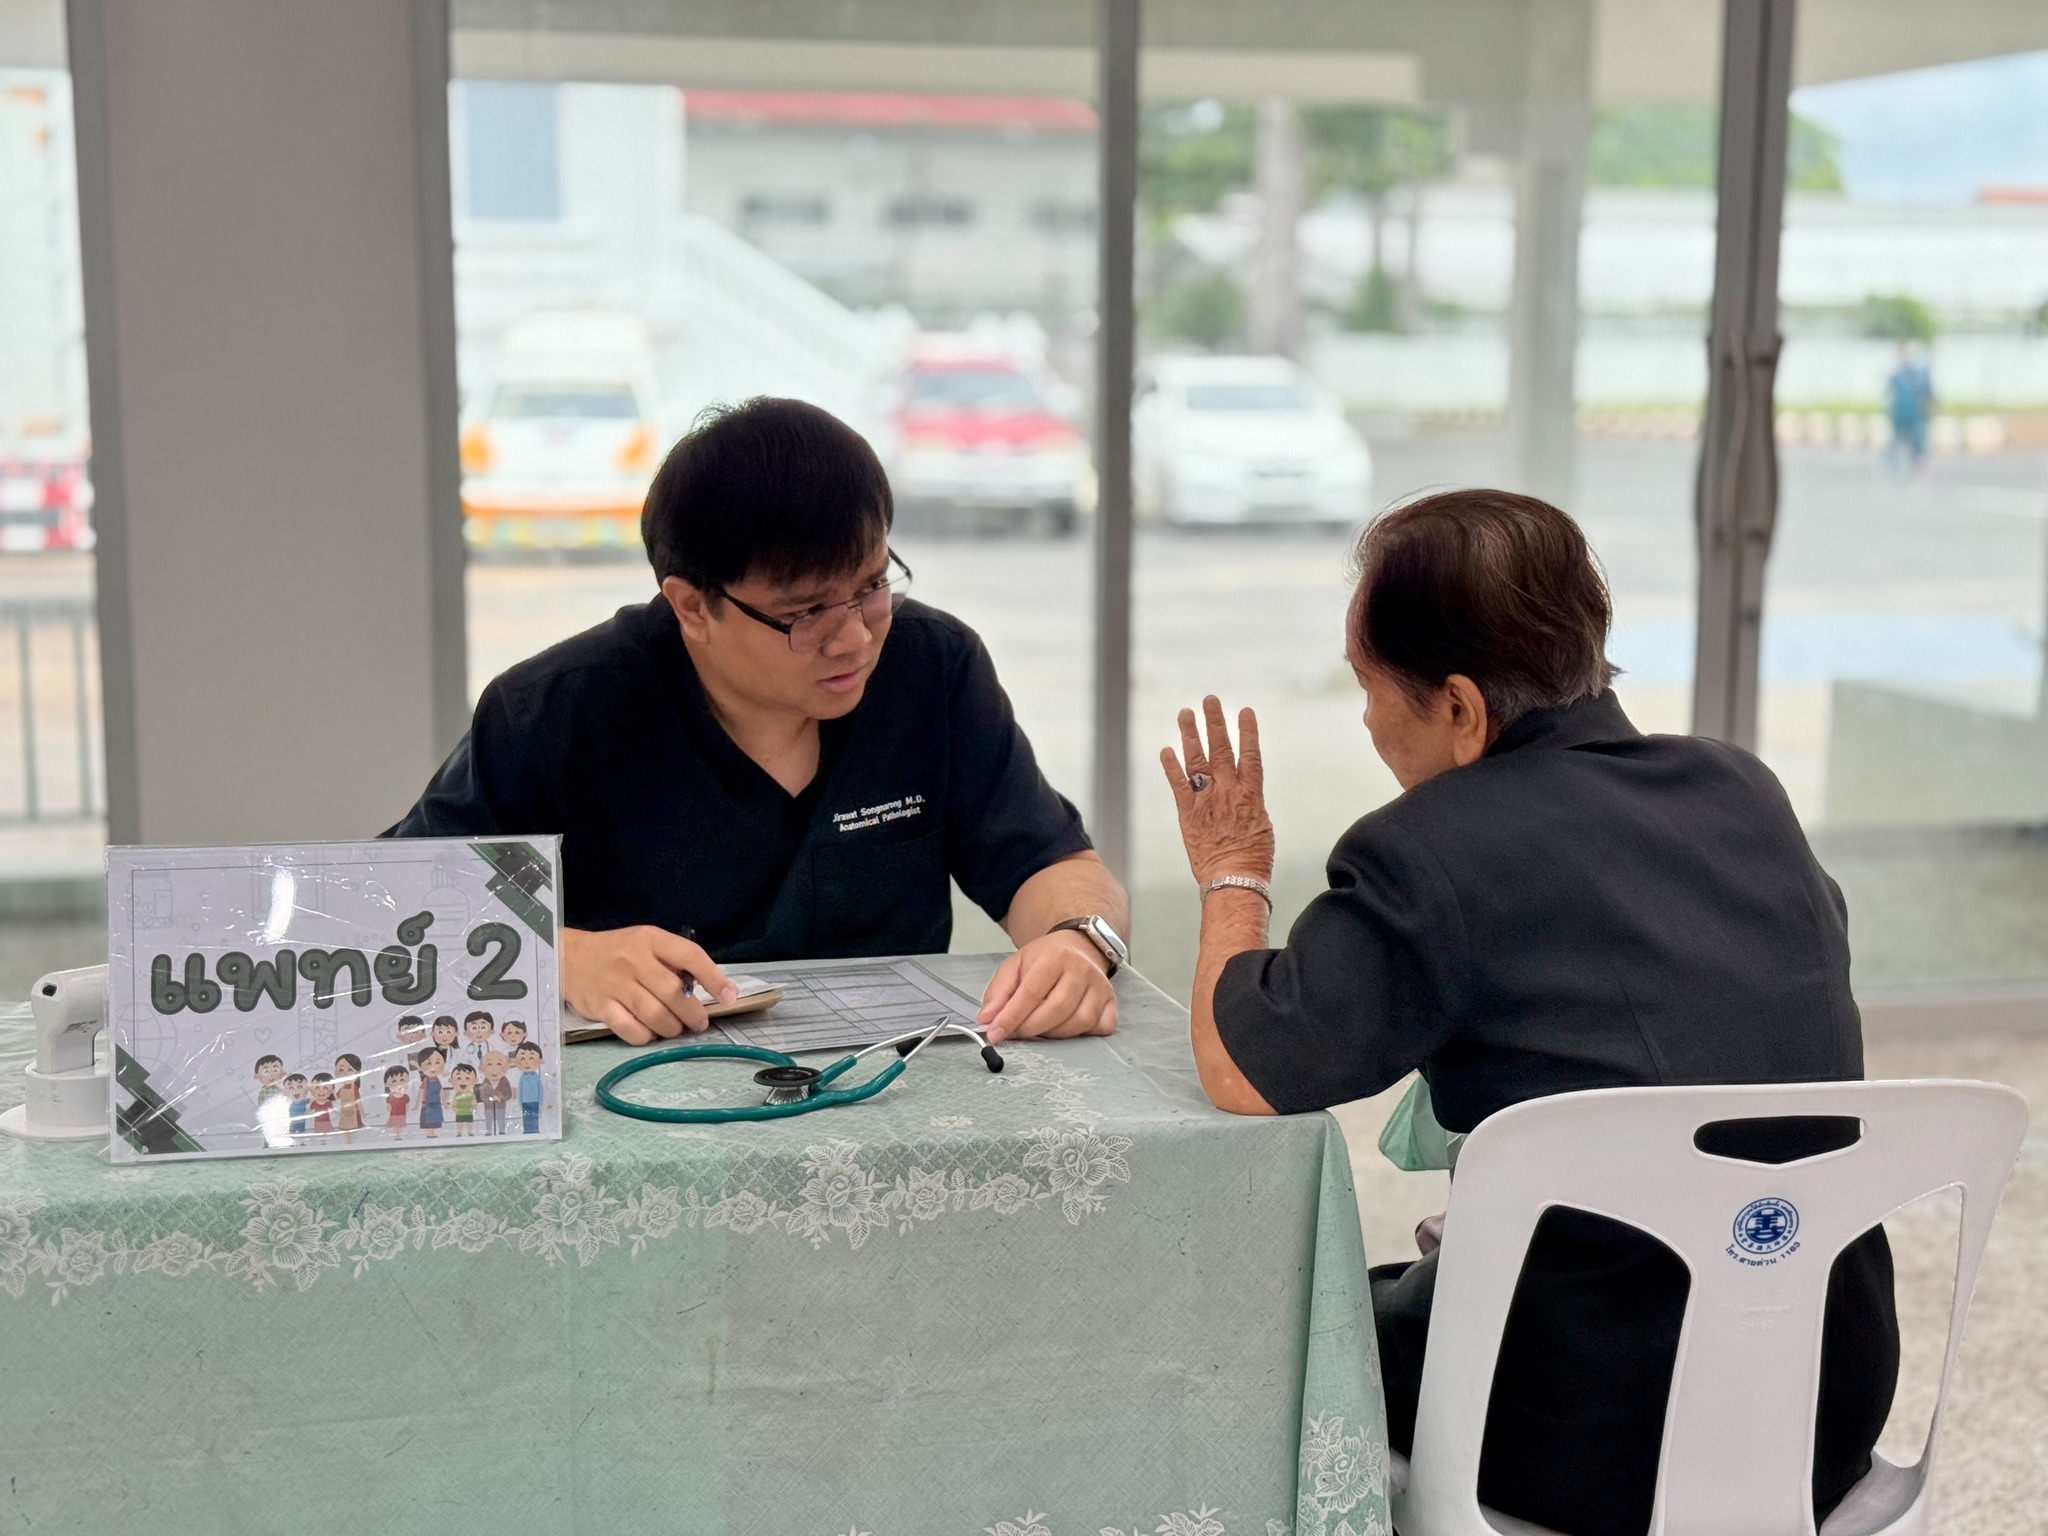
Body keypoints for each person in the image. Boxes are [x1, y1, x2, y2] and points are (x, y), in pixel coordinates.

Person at [1160, 489, 1898, 1536]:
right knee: (1421, 1281)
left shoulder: (1428, 849)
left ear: (1459, 710)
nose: (1367, 723)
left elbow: (1246, 1068)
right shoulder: (1743, 789)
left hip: (1590, 1436)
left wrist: (1232, 870)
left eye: (1370, 690)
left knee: (1278, 1334)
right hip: (1817, 1403)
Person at [390, 397, 1128, 1047]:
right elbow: (388, 910)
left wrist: (1076, 944)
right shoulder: (559, 712)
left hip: (891, 1081)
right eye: (805, 612)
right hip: (641, 1099)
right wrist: (559, 956)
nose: (854, 637)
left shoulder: (931, 669)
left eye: (872, 585)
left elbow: (1051, 864)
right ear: (692, 607)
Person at [1885, 343, 1933, 476]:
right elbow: (1890, 393)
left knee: (1917, 443)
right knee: (1895, 443)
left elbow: (1927, 395)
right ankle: (1892, 467)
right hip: (1899, 415)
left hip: (1914, 415)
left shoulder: (1919, 374)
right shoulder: (1897, 374)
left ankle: (1919, 467)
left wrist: (1926, 410)